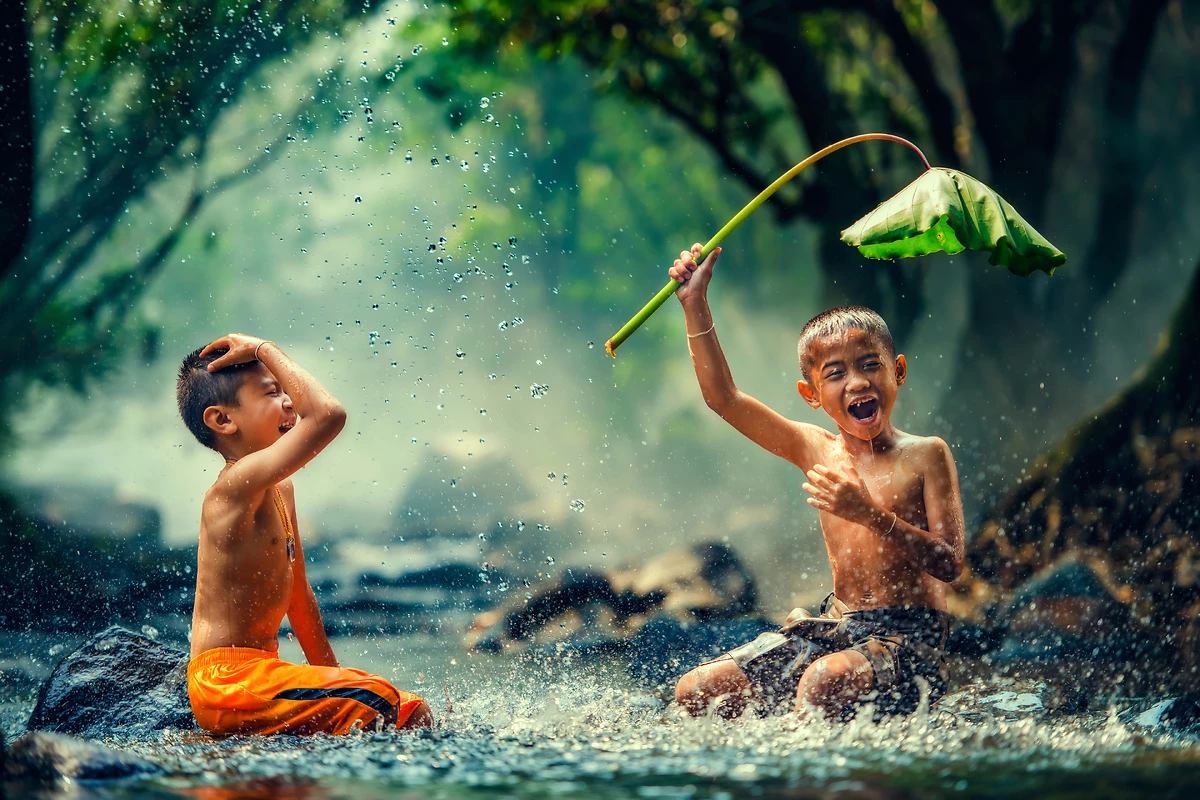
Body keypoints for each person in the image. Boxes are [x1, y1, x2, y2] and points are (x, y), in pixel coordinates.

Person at [667, 244, 965, 720]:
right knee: (698, 689)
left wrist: (871, 515)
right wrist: (694, 302)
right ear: (811, 394)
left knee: (824, 681)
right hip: (840, 626)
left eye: (871, 364)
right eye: (836, 373)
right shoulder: (816, 450)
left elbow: (950, 565)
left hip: (913, 638)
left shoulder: (926, 455)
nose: (857, 383)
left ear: (898, 371)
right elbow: (723, 398)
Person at [176, 333, 433, 735]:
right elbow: (328, 415)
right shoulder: (233, 487)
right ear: (222, 420)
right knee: (380, 701)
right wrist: (264, 349)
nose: (290, 402)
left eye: (284, 390)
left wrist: (331, 676)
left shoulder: (281, 489)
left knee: (405, 708)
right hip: (227, 681)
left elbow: (299, 596)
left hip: (262, 674)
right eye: (271, 392)